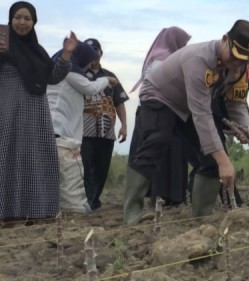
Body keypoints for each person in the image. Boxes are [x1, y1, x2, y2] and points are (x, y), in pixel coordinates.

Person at [124, 20, 249, 225]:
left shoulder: (240, 67)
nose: (237, 63)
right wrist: (224, 161)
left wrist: (248, 131)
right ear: (225, 40)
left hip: (188, 106)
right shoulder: (199, 59)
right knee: (157, 140)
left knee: (209, 158)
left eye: (244, 60)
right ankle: (132, 212)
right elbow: (202, 114)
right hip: (160, 97)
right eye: (235, 56)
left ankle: (202, 216)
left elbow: (236, 102)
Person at [0, 1, 77, 223]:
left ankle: (38, 210)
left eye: (27, 18)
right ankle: (8, 213)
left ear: (34, 22)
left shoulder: (38, 51)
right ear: (10, 19)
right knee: (8, 158)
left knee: (38, 158)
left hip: (36, 115)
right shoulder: (4, 46)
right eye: (18, 17)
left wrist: (66, 54)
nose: (22, 22)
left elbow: (52, 77)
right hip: (7, 113)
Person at [48, 42, 116, 214]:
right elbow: (90, 88)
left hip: (53, 127)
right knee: (69, 172)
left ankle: (55, 208)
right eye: (87, 61)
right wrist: (106, 80)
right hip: (58, 127)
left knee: (53, 173)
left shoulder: (56, 68)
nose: (87, 66)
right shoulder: (69, 70)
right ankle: (74, 208)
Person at [134, 27, 192, 206]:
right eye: (182, 43)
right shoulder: (162, 58)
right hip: (159, 111)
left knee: (172, 156)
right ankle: (160, 196)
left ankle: (172, 195)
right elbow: (160, 86)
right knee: (161, 154)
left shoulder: (164, 56)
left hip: (166, 111)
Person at [79, 38, 129, 211]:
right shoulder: (78, 74)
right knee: (85, 167)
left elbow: (119, 102)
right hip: (83, 131)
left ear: (101, 53)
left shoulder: (110, 76)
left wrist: (124, 125)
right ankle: (89, 201)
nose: (93, 55)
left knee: (101, 168)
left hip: (106, 132)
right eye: (88, 51)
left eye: (95, 51)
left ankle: (94, 198)